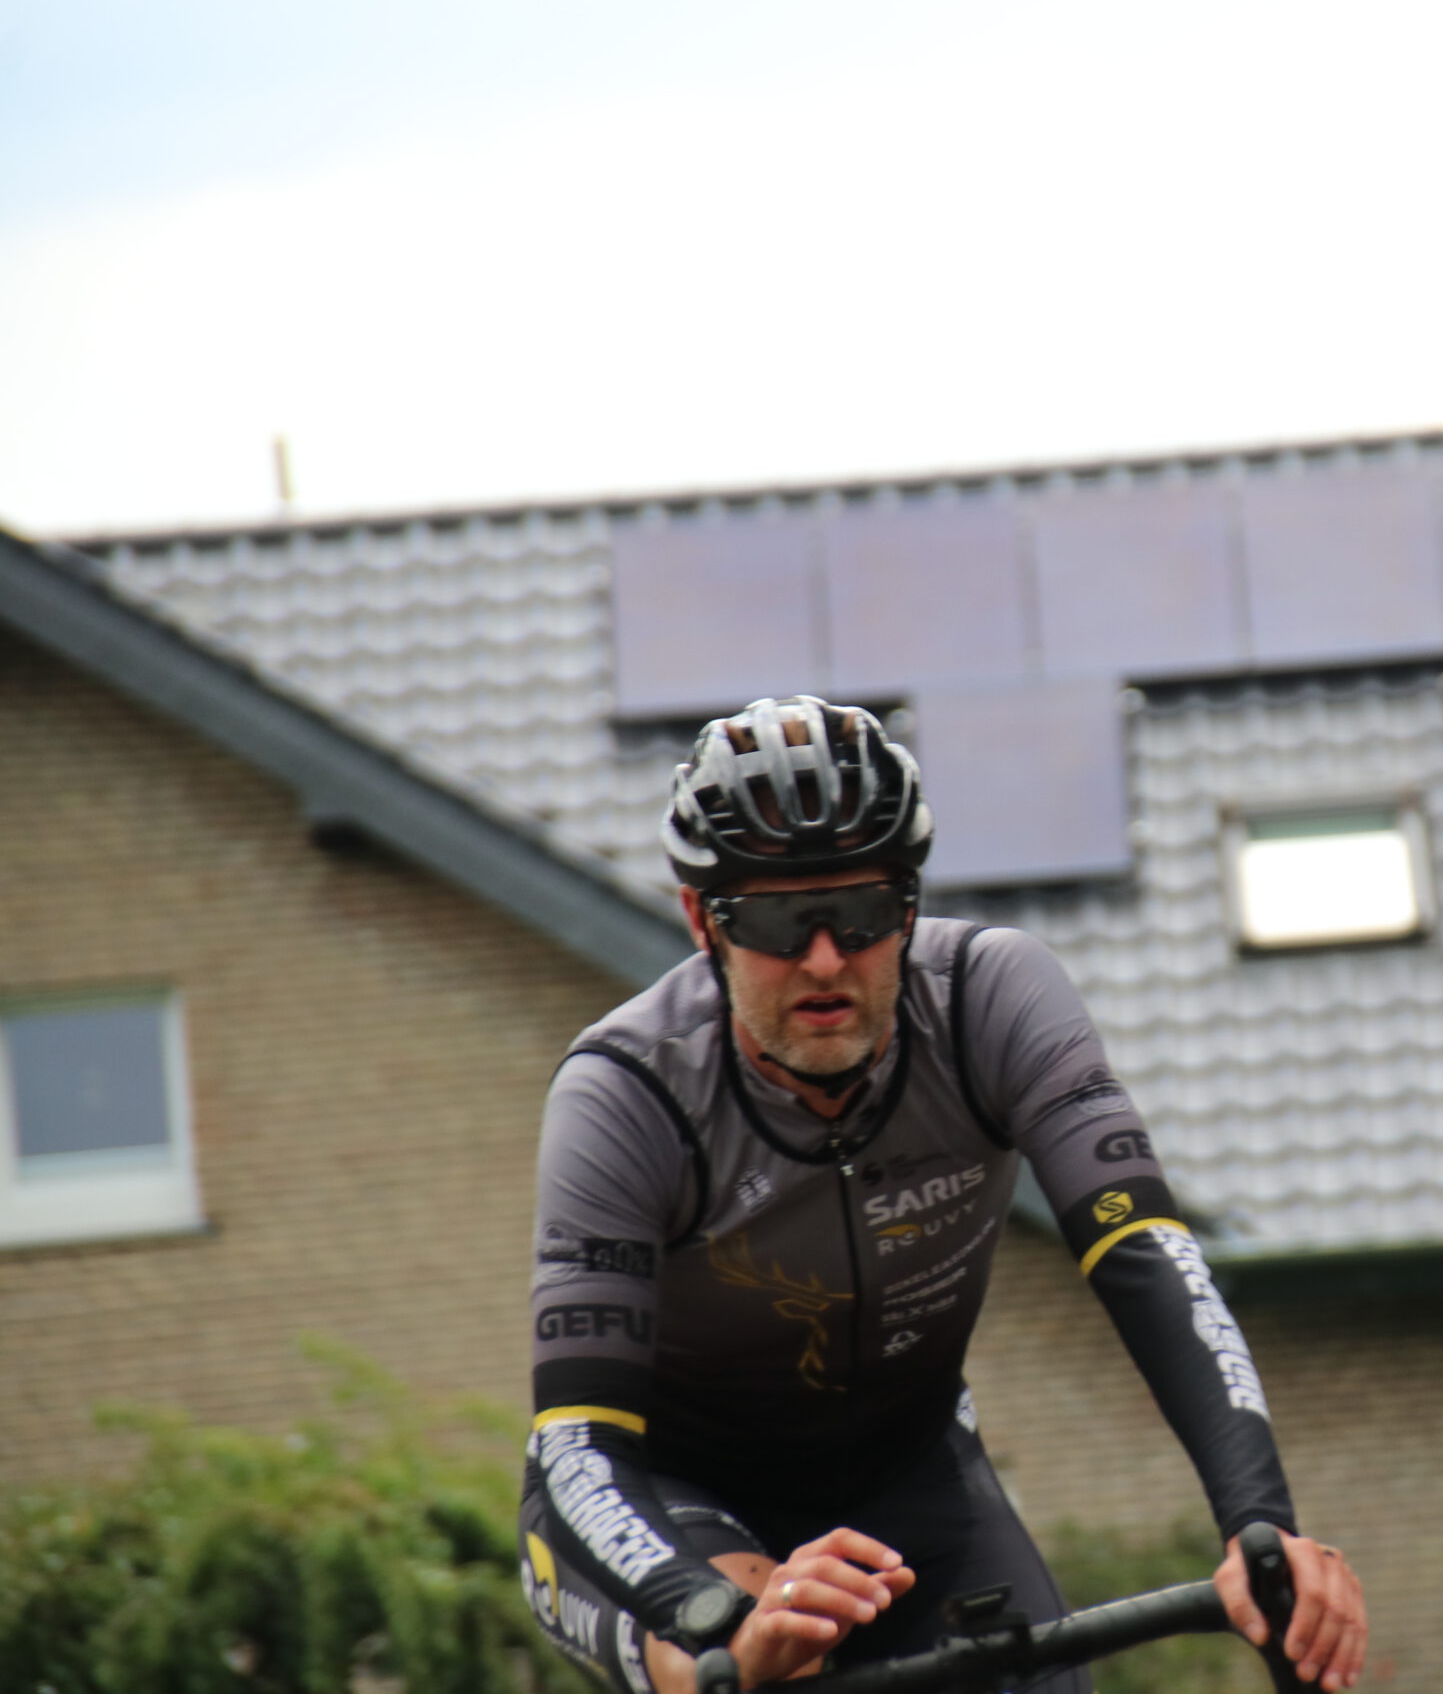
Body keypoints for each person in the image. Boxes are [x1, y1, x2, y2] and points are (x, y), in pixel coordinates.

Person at [518, 696, 1366, 1694]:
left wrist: (1260, 1525)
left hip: (905, 1471)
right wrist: (713, 1621)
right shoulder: (628, 1093)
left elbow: (1148, 1256)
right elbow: (579, 1442)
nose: (825, 959)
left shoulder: (987, 1000)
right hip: (667, 1500)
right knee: (745, 1672)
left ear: (910, 908)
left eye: (864, 913)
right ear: (703, 920)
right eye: (780, 921)